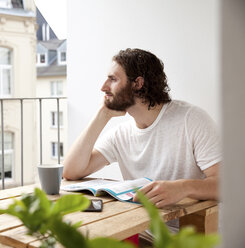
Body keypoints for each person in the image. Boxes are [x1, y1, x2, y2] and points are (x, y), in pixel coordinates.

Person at [62, 48, 220, 242]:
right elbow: (71, 171)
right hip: (143, 232)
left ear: (137, 83)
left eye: (113, 79)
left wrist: (183, 188)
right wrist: (102, 115)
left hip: (190, 236)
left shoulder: (192, 120)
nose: (103, 87)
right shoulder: (122, 134)